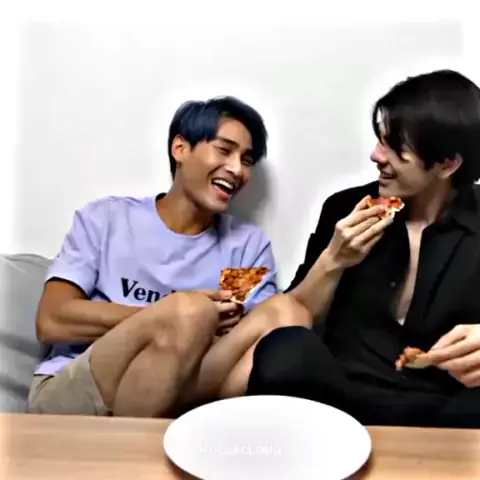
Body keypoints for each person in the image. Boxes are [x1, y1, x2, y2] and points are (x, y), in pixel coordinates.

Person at [28, 96, 311, 418]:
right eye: (224, 150)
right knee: (190, 311)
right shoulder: (107, 219)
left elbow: (252, 340)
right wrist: (169, 318)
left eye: (246, 160)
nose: (237, 169)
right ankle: (139, 440)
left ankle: (159, 426)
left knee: (288, 314)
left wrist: (331, 261)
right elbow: (51, 320)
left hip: (179, 387)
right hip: (80, 388)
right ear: (180, 149)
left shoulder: (244, 245)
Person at [247, 69, 480, 428]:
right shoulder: (345, 209)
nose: (376, 156)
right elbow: (296, 315)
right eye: (379, 141)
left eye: (395, 148)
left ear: (448, 164)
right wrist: (334, 259)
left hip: (445, 405)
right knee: (285, 349)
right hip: (345, 396)